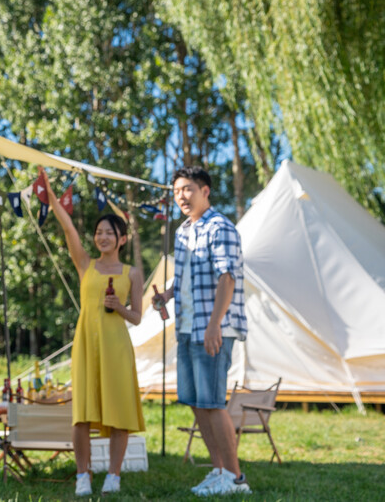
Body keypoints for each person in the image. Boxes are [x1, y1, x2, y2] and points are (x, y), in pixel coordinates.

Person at [153, 166, 251, 496]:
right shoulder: (182, 232)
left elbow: (228, 278)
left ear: (205, 191)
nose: (181, 195)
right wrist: (166, 295)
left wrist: (214, 326)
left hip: (213, 327)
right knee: (196, 402)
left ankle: (236, 479)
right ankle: (219, 470)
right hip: (186, 328)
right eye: (177, 190)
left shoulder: (220, 227)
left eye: (188, 189)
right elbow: (183, 278)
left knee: (212, 403)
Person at [47, 174, 145, 497]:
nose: (102, 237)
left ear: (121, 239)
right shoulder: (85, 264)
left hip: (117, 347)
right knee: (82, 414)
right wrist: (49, 193)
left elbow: (138, 317)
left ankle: (113, 476)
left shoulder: (132, 273)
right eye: (99, 232)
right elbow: (68, 229)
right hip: (85, 345)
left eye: (110, 233)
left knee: (118, 411)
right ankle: (83, 475)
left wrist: (119, 306)